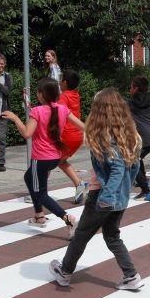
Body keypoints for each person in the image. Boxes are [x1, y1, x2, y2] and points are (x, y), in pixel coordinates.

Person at [49, 88, 145, 290]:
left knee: (82, 233)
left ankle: (64, 272)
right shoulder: (129, 134)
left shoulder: (105, 136)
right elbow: (133, 166)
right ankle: (131, 276)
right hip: (120, 198)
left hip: (102, 196)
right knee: (111, 235)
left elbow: (118, 168)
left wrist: (106, 196)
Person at [2, 78, 84, 235]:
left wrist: (15, 118)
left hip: (40, 159)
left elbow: (27, 134)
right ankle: (39, 215)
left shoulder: (38, 111)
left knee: (41, 194)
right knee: (29, 178)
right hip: (54, 158)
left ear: (41, 94)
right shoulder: (62, 109)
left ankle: (68, 219)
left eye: (38, 92)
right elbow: (83, 126)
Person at [58, 69, 88, 203]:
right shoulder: (76, 94)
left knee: (48, 160)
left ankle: (38, 191)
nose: (59, 82)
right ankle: (79, 184)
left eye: (61, 79)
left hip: (67, 135)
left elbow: (60, 115)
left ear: (64, 82)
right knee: (60, 161)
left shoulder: (63, 97)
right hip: (77, 135)